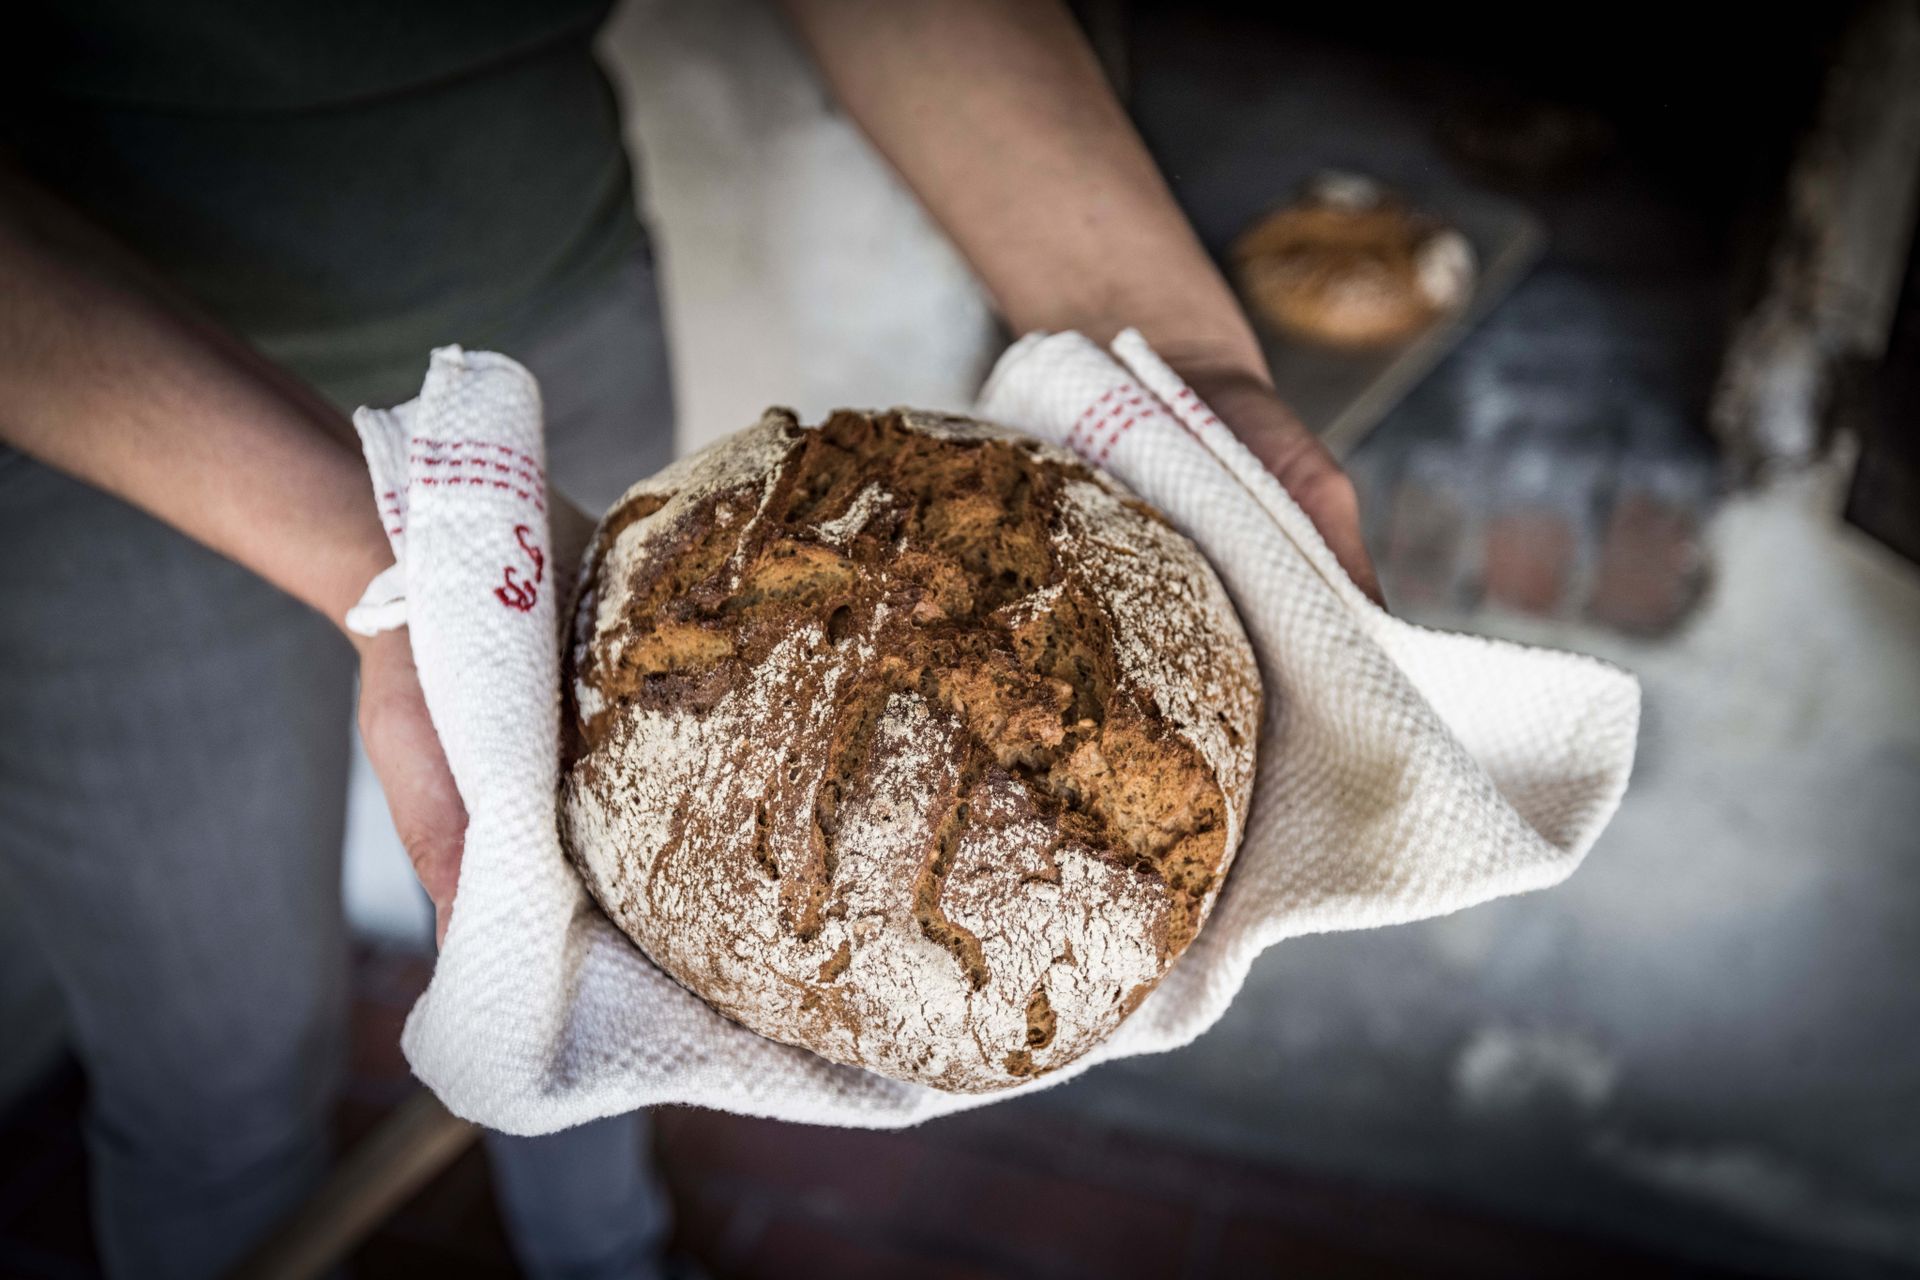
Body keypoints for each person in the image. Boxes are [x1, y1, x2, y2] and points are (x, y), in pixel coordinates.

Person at [0, 2, 1379, 1277]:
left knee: (599, 972)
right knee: (215, 1070)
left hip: (545, 298)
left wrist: (1191, 375)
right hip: (94, 415)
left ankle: (603, 1253)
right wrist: (383, 553)